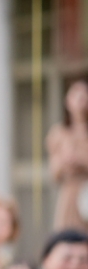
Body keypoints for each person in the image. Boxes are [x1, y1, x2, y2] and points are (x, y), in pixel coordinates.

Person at [47, 79, 88, 232]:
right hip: (70, 195)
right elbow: (54, 173)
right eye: (75, 93)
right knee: (69, 236)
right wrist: (64, 162)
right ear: (67, 100)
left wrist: (79, 161)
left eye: (84, 94)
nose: (80, 99)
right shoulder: (59, 134)